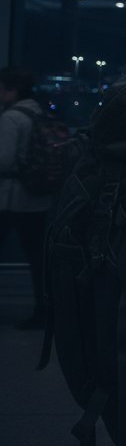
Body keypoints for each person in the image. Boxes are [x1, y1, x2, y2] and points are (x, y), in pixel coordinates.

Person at [0, 66, 50, 329]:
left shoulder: (12, 118)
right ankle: (43, 310)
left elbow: (4, 159)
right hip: (37, 197)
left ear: (12, 89)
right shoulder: (38, 112)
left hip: (10, 198)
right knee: (37, 259)